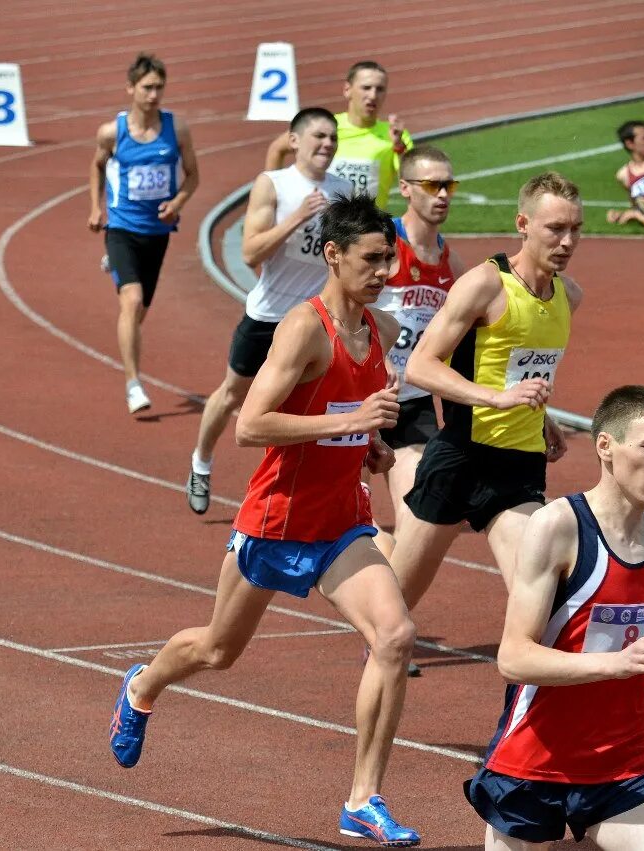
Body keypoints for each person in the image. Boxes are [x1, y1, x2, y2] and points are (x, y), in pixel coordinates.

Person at [109, 195, 421, 847]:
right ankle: (142, 684)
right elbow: (250, 424)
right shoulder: (304, 328)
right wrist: (347, 423)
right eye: (371, 257)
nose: (385, 269)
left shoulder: (384, 331)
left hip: (341, 523)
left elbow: (351, 417)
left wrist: (370, 446)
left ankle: (363, 799)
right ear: (332, 256)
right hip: (275, 521)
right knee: (218, 650)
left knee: (394, 635)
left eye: (389, 256)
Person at [464, 385, 644, 850]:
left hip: (620, 765)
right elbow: (513, 658)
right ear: (605, 446)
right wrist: (616, 664)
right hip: (531, 762)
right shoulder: (558, 526)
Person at [390, 171, 583, 615]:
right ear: (523, 224)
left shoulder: (568, 296)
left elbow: (519, 369)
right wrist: (494, 399)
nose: (567, 241)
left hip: (519, 467)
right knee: (393, 611)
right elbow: (421, 365)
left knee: (541, 605)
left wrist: (542, 415)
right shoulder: (485, 284)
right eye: (555, 228)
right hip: (460, 457)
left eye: (575, 229)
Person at [185, 108, 353, 516]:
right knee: (231, 396)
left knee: (312, 409)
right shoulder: (273, 184)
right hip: (267, 316)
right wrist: (297, 218)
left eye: (332, 137)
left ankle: (306, 495)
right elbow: (250, 252)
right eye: (318, 136)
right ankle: (200, 464)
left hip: (315, 321)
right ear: (294, 141)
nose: (327, 144)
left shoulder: (343, 188)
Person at [88, 53, 199, 414]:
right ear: (131, 88)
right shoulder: (112, 132)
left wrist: (179, 202)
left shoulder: (176, 129)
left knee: (139, 314)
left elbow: (193, 176)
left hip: (158, 232)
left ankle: (117, 267)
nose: (154, 94)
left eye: (159, 87)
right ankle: (133, 383)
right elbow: (96, 167)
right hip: (121, 226)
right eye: (147, 87)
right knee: (131, 301)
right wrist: (96, 207)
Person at [371, 145, 468, 537]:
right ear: (406, 188)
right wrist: (380, 357)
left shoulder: (452, 263)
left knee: (416, 513)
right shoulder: (384, 246)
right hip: (355, 395)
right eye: (431, 185)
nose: (442, 194)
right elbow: (342, 309)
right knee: (346, 519)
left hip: (411, 402)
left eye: (448, 185)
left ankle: (392, 594)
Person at [266, 61, 410, 210]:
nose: (373, 95)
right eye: (366, 88)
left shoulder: (395, 135)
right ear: (347, 89)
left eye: (380, 89)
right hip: (323, 226)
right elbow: (277, 149)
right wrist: (272, 202)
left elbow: (410, 183)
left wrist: (399, 146)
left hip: (368, 228)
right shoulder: (327, 128)